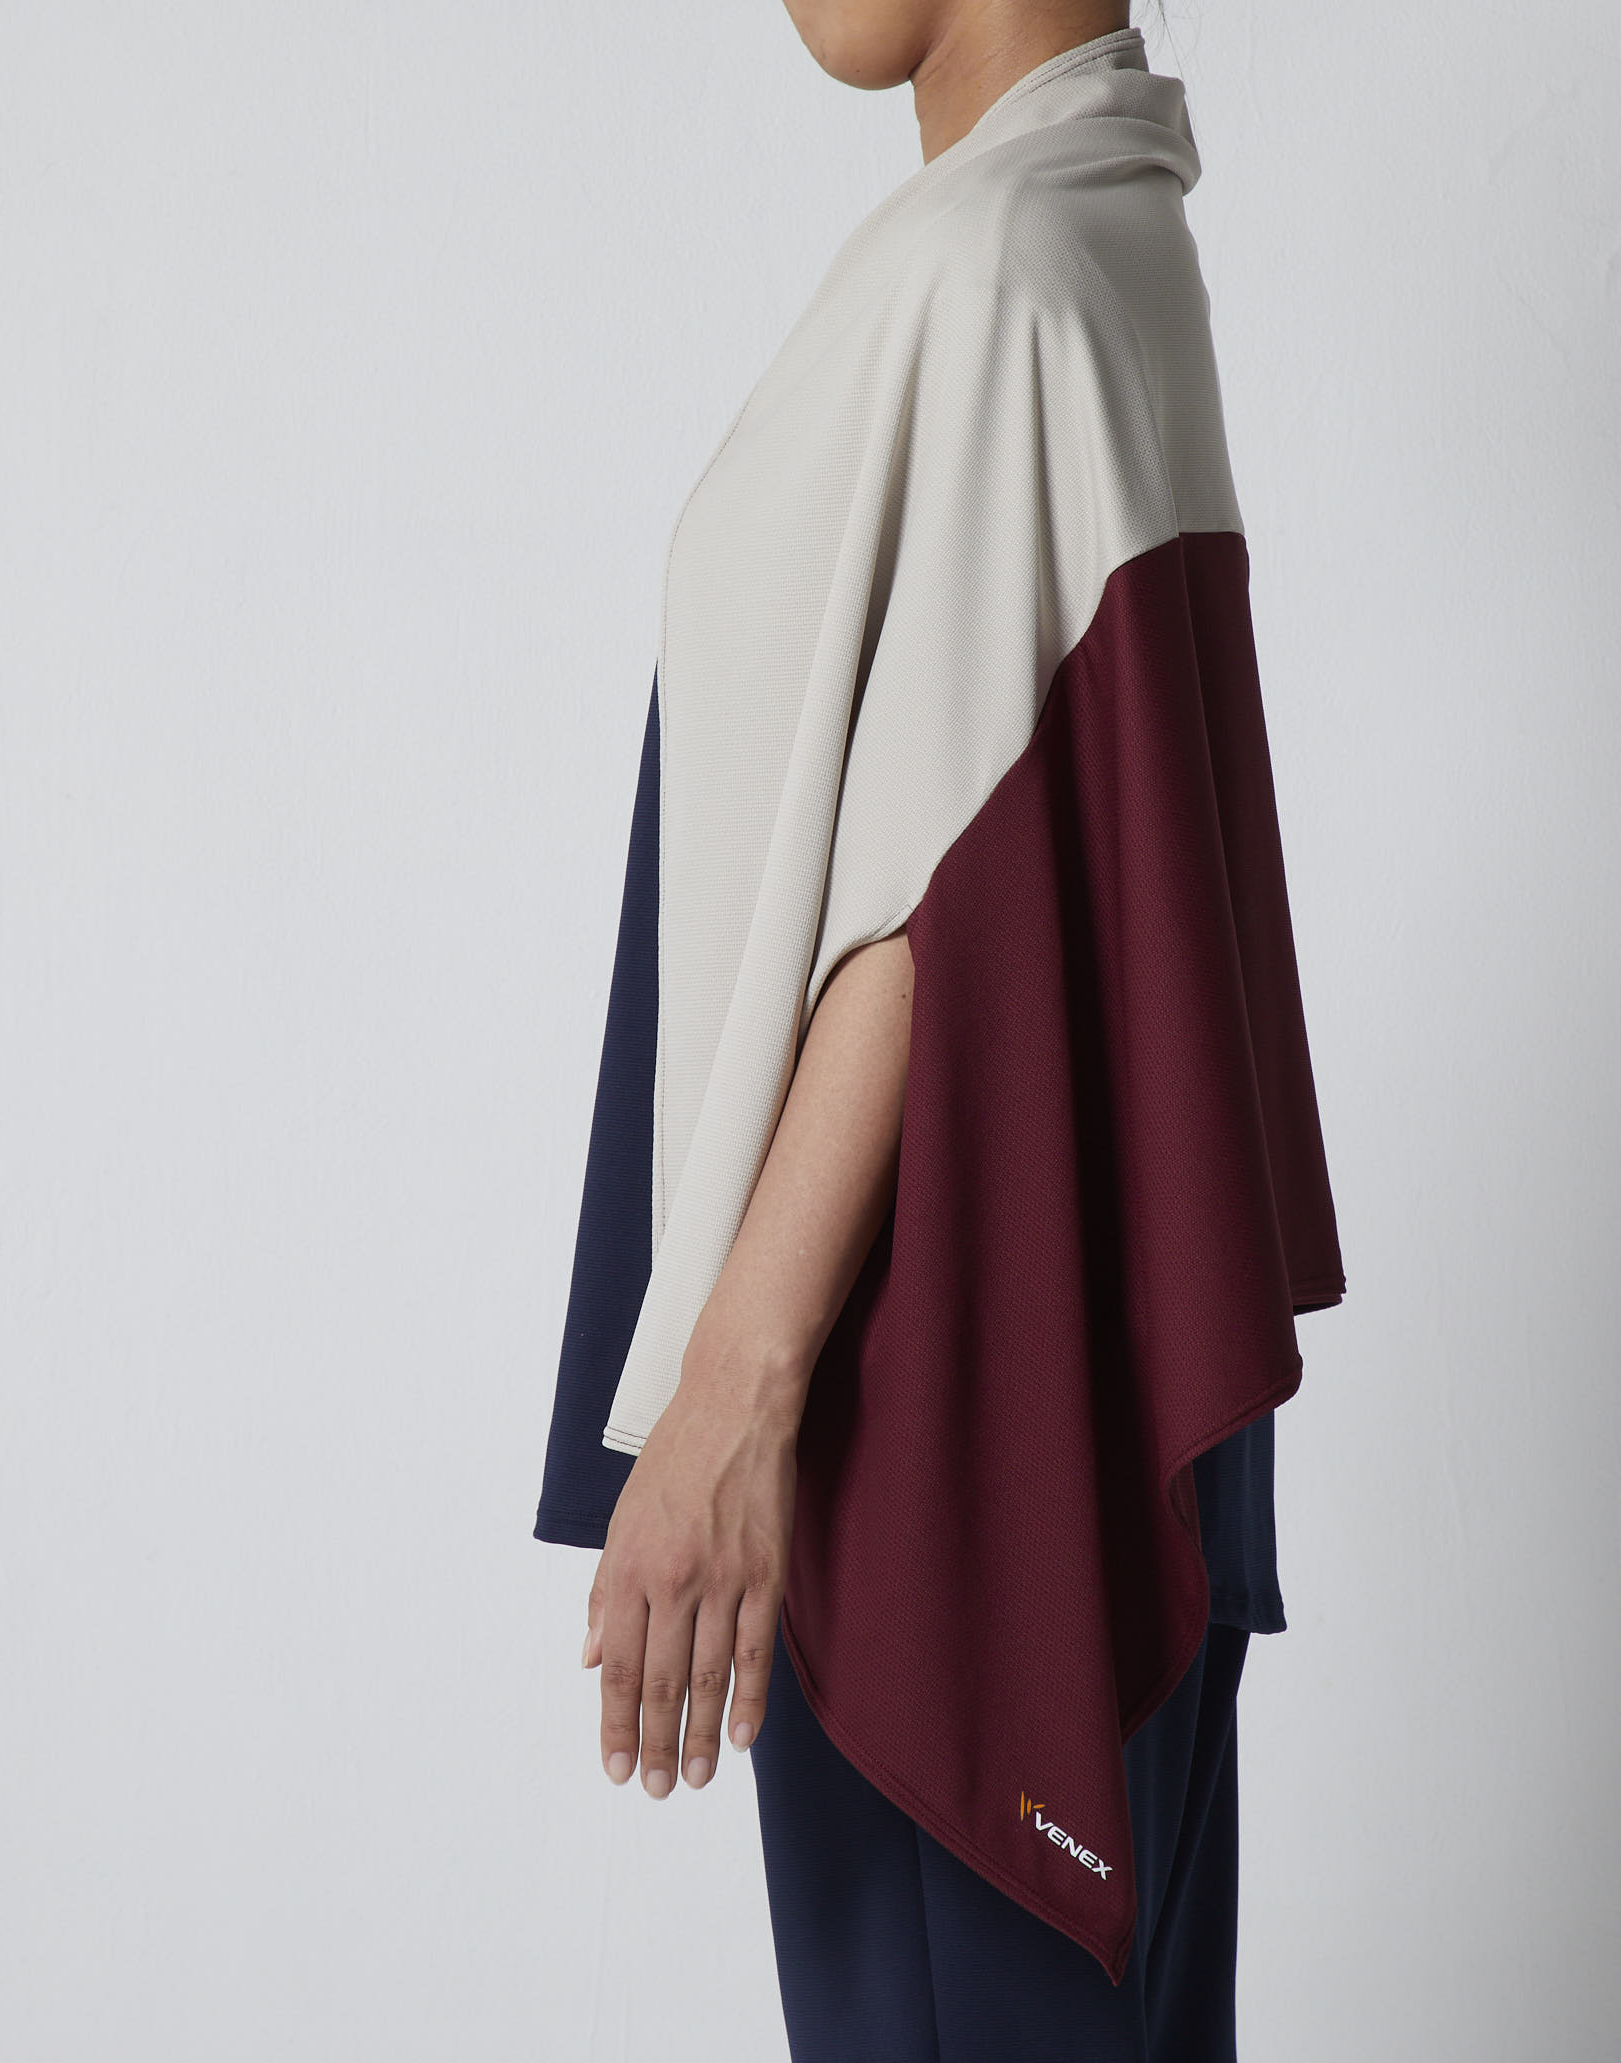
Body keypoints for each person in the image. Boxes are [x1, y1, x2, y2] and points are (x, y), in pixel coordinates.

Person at [531, 5, 1343, 2055]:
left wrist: (733, 1388)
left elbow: (941, 897)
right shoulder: (1100, 236)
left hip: (941, 1424)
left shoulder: (993, 270)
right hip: (1061, 1377)